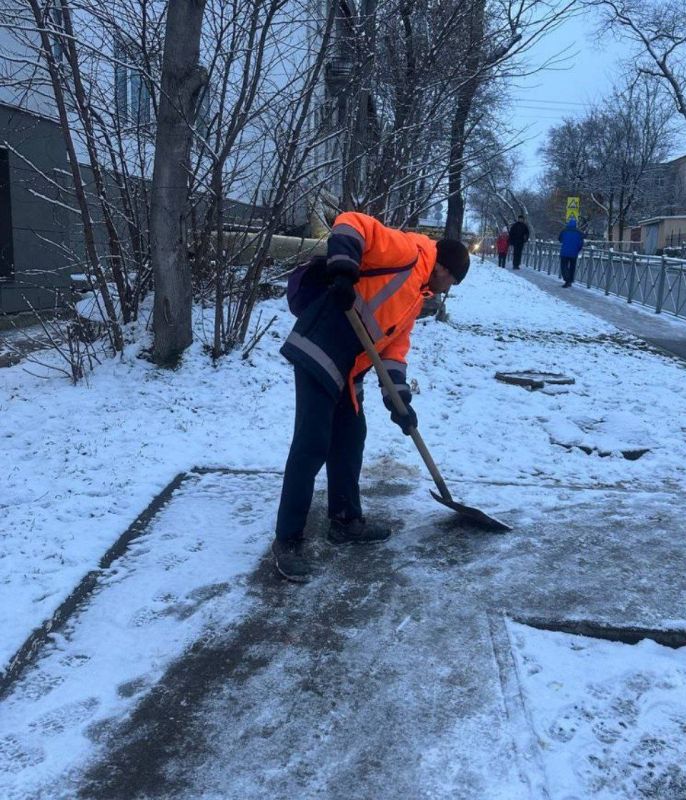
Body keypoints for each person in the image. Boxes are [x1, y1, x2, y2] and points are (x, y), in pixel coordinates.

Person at [273, 212, 470, 582]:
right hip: (320, 347)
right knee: (312, 444)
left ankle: (345, 520)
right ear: (443, 268)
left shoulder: (417, 298)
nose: (447, 290)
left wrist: (401, 403)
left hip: (347, 369)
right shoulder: (409, 252)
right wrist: (344, 272)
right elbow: (352, 223)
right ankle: (287, 540)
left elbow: (393, 352)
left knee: (350, 439)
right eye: (451, 282)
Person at [558, 217, 584, 287]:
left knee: (564, 266)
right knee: (572, 267)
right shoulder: (579, 232)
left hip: (564, 252)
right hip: (574, 254)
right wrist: (577, 250)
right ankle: (570, 280)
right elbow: (581, 243)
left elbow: (560, 239)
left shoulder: (564, 231)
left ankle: (567, 280)